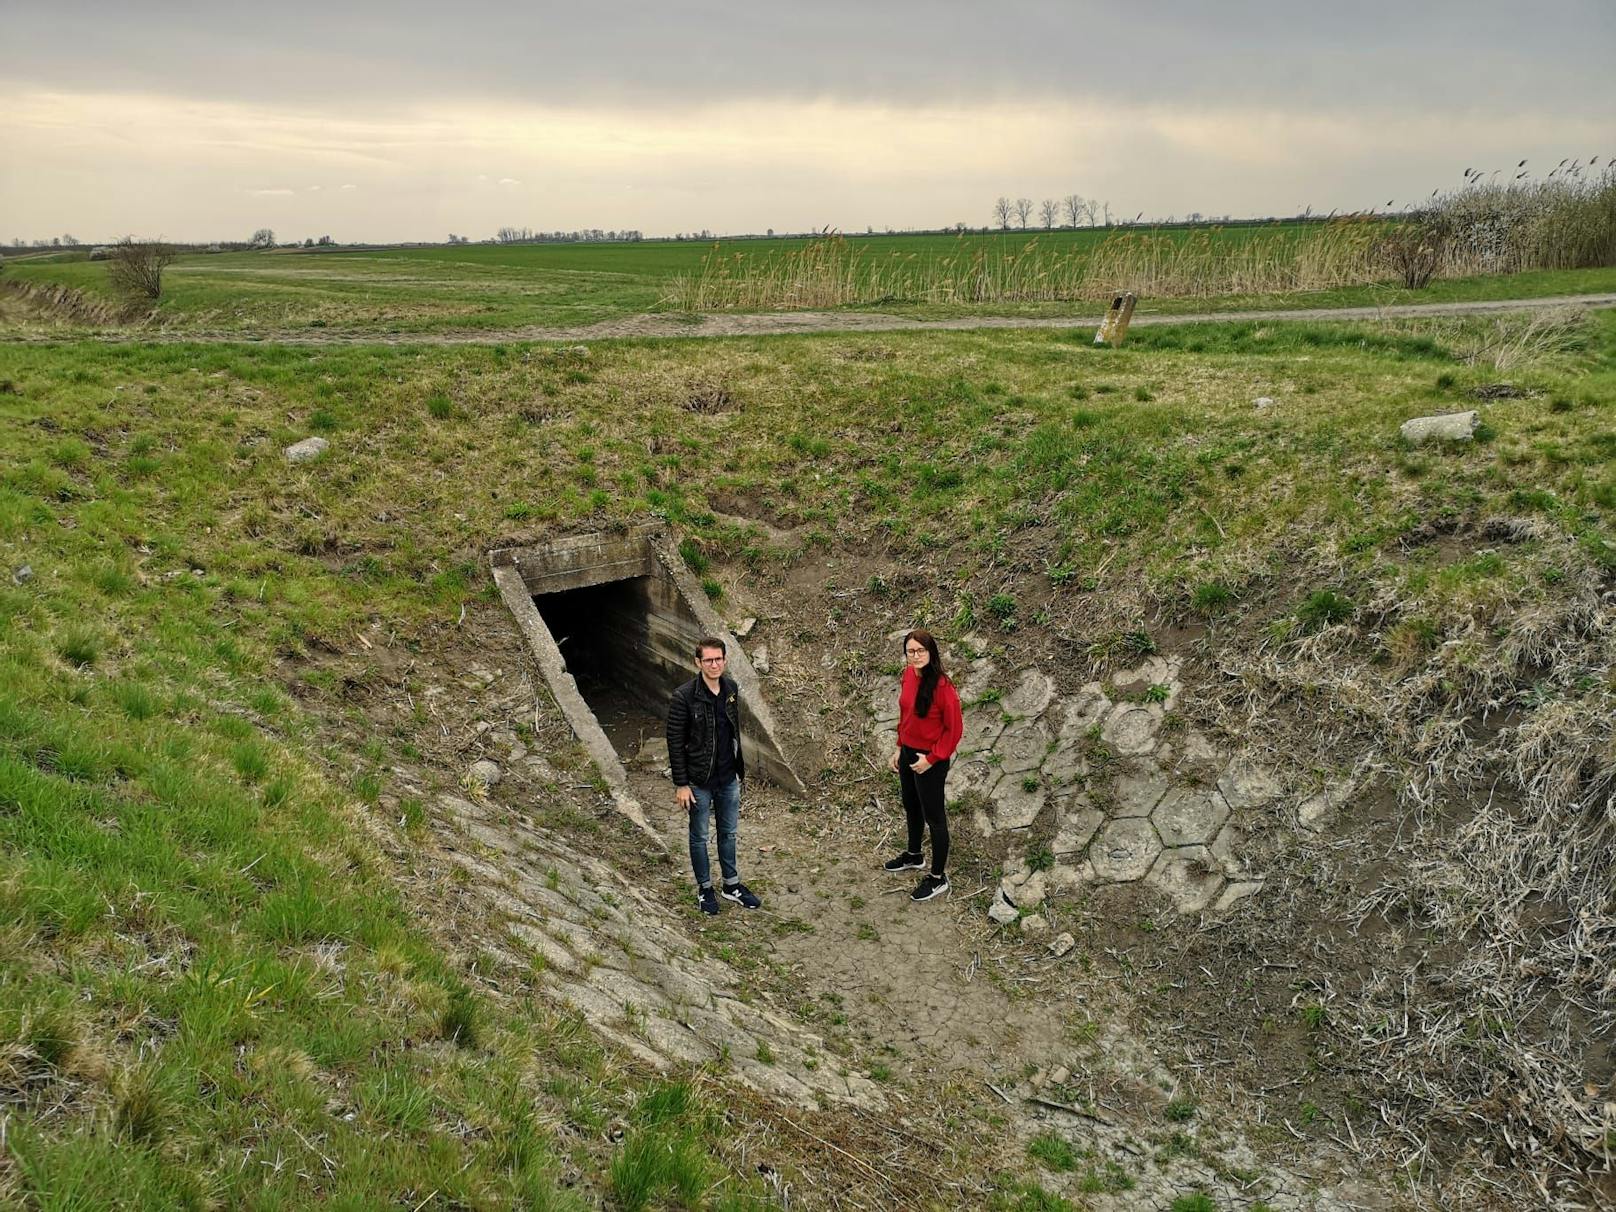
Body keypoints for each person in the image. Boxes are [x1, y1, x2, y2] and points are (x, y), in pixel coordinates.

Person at [666, 636, 762, 916]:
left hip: (727, 778)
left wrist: (736, 769)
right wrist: (681, 783)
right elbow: (675, 740)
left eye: (718, 659)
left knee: (729, 833)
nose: (714, 664)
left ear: (725, 660)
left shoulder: (730, 688)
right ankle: (705, 888)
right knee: (699, 836)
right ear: (698, 662)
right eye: (708, 659)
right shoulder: (684, 696)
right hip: (698, 780)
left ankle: (731, 885)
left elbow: (731, 731)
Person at [884, 628, 963, 901]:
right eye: (910, 651)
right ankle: (914, 855)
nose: (915, 656)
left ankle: (938, 877)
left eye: (921, 651)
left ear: (931, 653)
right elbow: (906, 714)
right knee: (910, 803)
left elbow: (954, 731)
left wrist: (931, 759)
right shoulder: (908, 675)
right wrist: (899, 746)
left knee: (935, 818)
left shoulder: (943, 687)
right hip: (907, 752)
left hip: (930, 759)